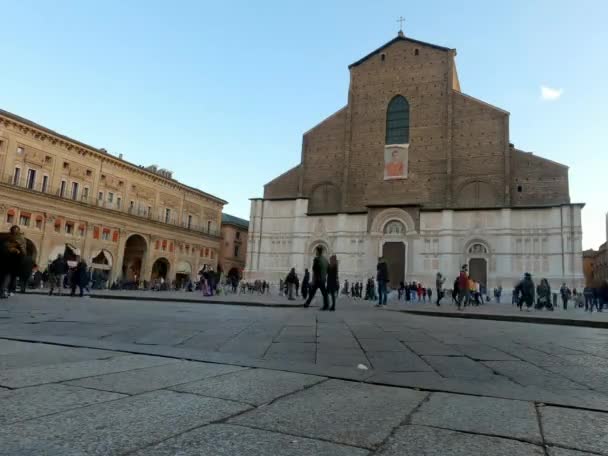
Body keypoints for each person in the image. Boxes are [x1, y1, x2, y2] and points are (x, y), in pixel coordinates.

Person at [304, 246, 329, 310]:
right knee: (322, 293)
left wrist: (313, 280)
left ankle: (307, 303)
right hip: (323, 279)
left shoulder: (316, 259)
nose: (316, 253)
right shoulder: (326, 260)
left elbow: (314, 270)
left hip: (318, 279)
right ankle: (307, 303)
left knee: (313, 292)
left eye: (316, 251)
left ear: (318, 252)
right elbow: (328, 270)